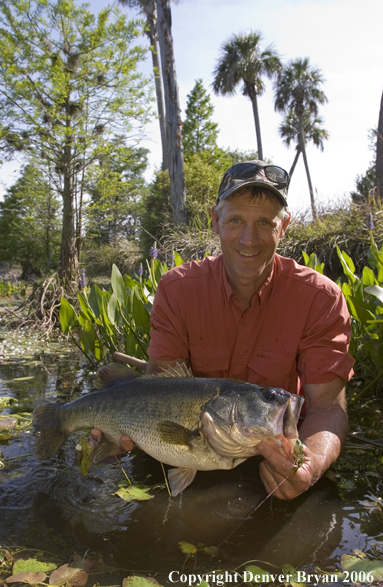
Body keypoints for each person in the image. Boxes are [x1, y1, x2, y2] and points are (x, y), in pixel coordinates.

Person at [93, 160, 354, 500]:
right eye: (235, 221)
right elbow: (157, 396)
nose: (249, 238)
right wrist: (119, 435)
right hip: (187, 451)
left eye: (264, 222)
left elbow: (328, 409)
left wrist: (311, 464)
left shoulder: (321, 299)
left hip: (274, 455)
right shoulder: (177, 289)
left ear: (284, 226)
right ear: (216, 221)